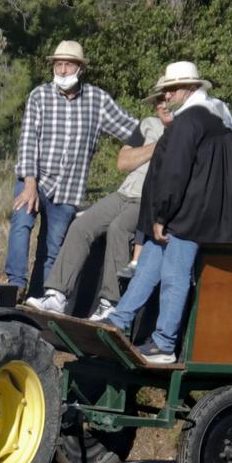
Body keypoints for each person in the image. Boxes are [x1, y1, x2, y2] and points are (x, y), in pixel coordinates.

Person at [103, 61, 232, 365]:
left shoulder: (191, 121)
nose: (167, 95)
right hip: (182, 212)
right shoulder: (208, 119)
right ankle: (119, 319)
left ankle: (164, 343)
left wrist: (162, 215)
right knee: (150, 262)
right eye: (165, 90)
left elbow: (175, 173)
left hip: (185, 216)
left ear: (190, 88)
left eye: (172, 89)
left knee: (174, 274)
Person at [6, 40, 143, 294]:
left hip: (69, 190)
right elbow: (27, 140)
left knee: (52, 248)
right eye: (58, 64)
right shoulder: (39, 95)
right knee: (22, 223)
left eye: (68, 64)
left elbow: (132, 130)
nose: (62, 70)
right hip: (36, 179)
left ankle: (39, 298)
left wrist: (163, 135)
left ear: (80, 68)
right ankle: (15, 285)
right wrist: (30, 183)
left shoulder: (97, 100)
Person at [27, 102, 168, 320]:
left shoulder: (184, 130)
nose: (163, 104)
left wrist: (145, 153)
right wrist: (157, 146)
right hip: (124, 192)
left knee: (119, 228)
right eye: (159, 100)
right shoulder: (146, 125)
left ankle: (111, 302)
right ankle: (57, 294)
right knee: (81, 225)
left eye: (168, 99)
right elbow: (123, 162)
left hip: (150, 198)